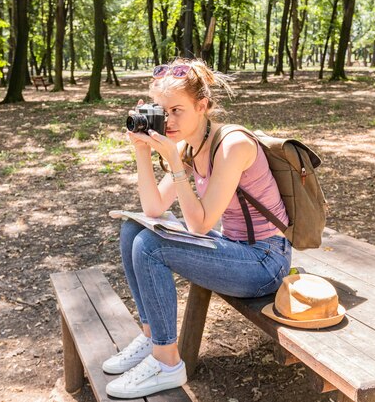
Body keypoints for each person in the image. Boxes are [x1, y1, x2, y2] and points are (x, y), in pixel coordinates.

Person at [104, 58, 292, 399]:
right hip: (235, 249)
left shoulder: (232, 144)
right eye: (162, 111)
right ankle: (151, 338)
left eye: (177, 110)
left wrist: (176, 163)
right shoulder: (190, 144)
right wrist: (142, 151)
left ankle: (167, 362)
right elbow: (153, 207)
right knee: (134, 229)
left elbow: (201, 224)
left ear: (202, 105)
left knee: (150, 244)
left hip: (265, 262)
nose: (168, 120)